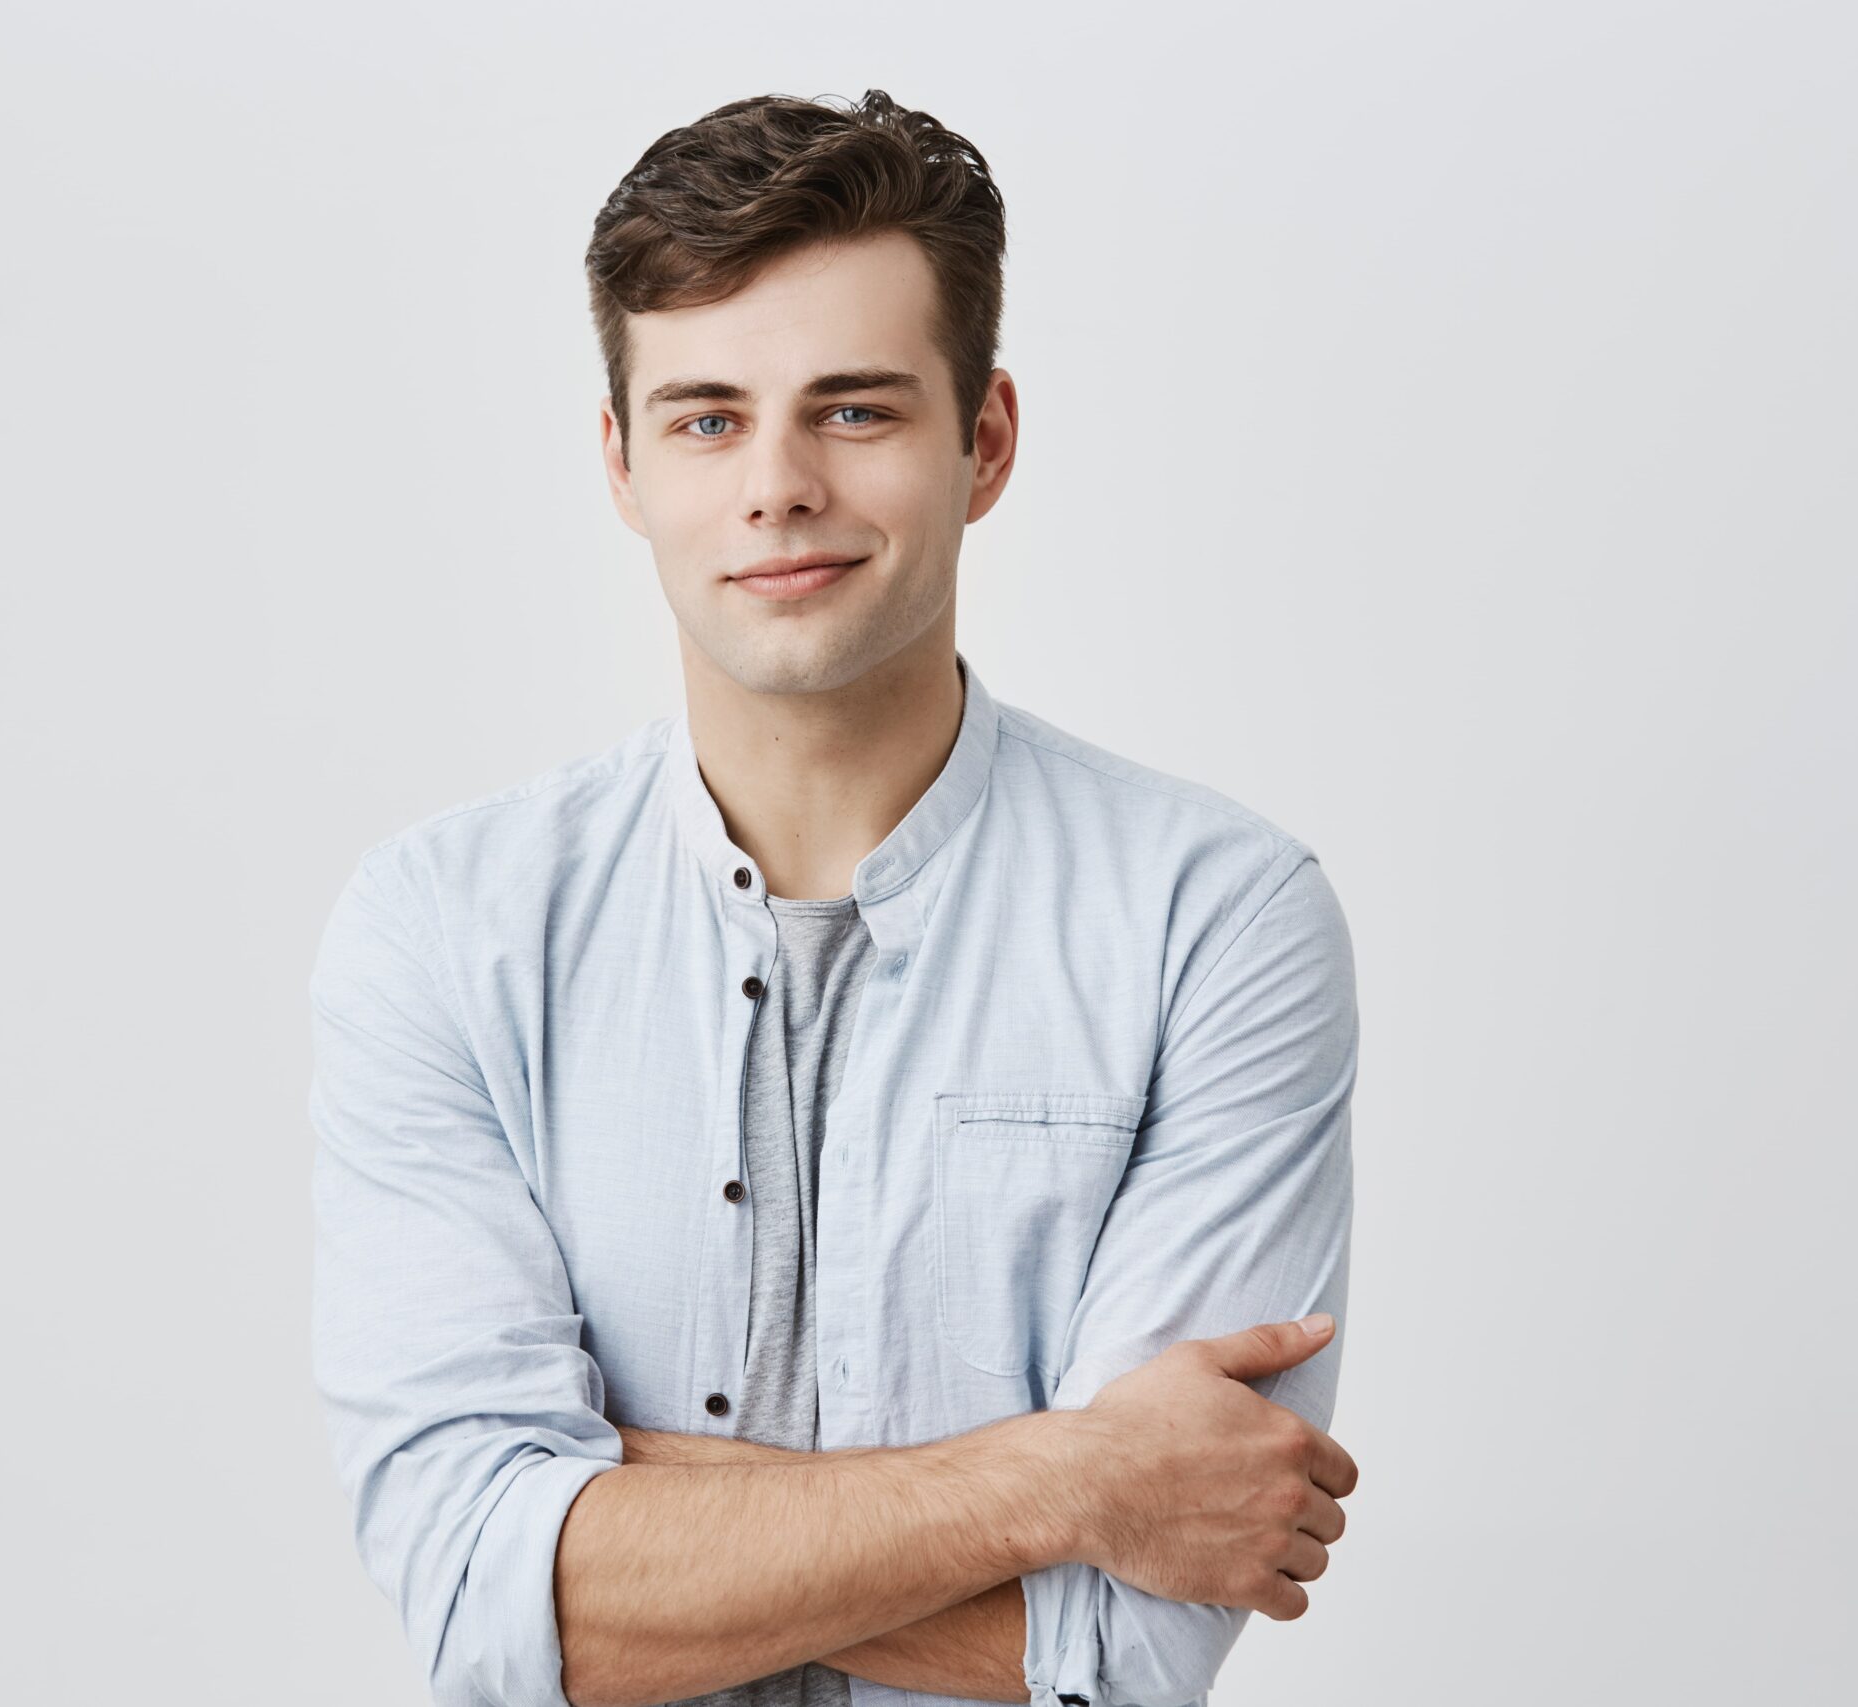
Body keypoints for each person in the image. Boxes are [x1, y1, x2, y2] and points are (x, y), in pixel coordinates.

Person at [309, 89, 1360, 1707]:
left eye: (855, 411)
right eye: (708, 418)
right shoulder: (445, 930)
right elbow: (481, 1601)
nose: (778, 484)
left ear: (984, 440)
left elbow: (1132, 1647)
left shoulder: (1214, 924)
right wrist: (1071, 1482)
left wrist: (604, 1510)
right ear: (624, 462)